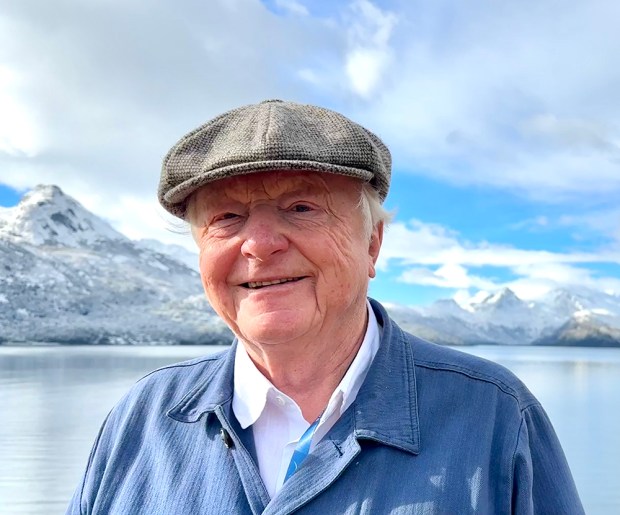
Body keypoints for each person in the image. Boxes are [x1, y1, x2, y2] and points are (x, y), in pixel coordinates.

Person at [67, 99, 584, 514]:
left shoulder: (494, 416)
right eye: (226, 218)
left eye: (301, 207)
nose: (260, 244)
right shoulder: (144, 417)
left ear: (372, 244)